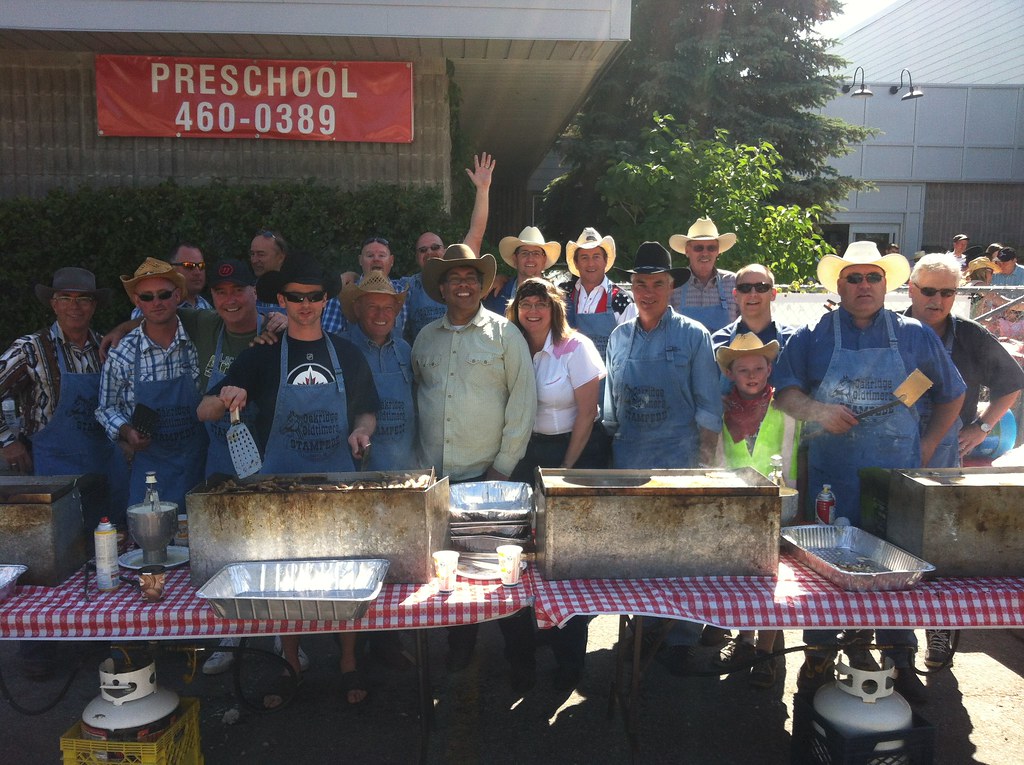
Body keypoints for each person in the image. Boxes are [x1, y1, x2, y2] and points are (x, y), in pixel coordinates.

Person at [773, 240, 966, 702]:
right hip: (831, 481)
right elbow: (784, 394)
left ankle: (898, 656)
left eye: (872, 277)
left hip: (892, 482)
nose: (863, 285)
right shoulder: (812, 334)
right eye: (854, 277)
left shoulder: (916, 335)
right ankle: (819, 654)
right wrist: (818, 411)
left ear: (887, 284)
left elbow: (952, 394)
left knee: (897, 567)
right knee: (824, 571)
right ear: (839, 285)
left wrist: (927, 445)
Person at [198, 255, 378, 705]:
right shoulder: (259, 356)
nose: (304, 305)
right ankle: (291, 663)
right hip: (279, 490)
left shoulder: (347, 352)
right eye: (295, 297)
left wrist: (361, 431)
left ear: (324, 301)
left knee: (345, 575)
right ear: (281, 299)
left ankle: (349, 662)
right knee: (283, 582)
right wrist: (226, 396)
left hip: (337, 484)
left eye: (314, 297)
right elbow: (203, 410)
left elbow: (367, 409)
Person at [412, 243, 537, 689]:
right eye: (454, 279)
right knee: (451, 571)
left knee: (505, 573)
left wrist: (502, 469)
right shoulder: (425, 338)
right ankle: (460, 647)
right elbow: (417, 400)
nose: (463, 285)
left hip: (493, 479)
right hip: (441, 480)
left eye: (471, 278)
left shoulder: (506, 335)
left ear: (483, 286)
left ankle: (522, 659)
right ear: (441, 288)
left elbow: (523, 404)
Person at [0, 267, 126, 681]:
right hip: (50, 472)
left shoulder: (107, 345)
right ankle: (38, 646)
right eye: (67, 299)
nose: (76, 307)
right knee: (45, 561)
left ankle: (93, 637)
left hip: (99, 468)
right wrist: (8, 440)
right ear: (53, 304)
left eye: (84, 299)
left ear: (94, 306)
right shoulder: (30, 349)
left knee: (99, 556)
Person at [603, 241, 722, 675]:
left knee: (679, 556)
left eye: (657, 283)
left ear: (671, 286)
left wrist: (705, 465)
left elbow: (709, 406)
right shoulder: (620, 335)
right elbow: (612, 406)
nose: (648, 292)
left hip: (679, 461)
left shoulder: (694, 335)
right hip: (630, 460)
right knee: (634, 555)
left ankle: (679, 638)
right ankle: (639, 628)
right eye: (640, 283)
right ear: (631, 287)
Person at [905, 253, 1024, 673]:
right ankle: (883, 635)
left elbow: (1012, 384)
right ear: (911, 289)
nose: (937, 300)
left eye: (947, 292)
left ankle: (938, 632)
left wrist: (982, 427)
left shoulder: (971, 336)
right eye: (929, 290)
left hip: (945, 456)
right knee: (890, 543)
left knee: (938, 547)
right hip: (892, 447)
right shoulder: (891, 331)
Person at [506, 277, 606, 688]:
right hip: (525, 451)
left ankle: (569, 663)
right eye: (525, 304)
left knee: (567, 559)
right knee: (520, 554)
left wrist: (564, 470)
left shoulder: (575, 348)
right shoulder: (510, 347)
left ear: (554, 309)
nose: (532, 311)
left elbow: (587, 414)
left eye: (540, 304)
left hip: (574, 452)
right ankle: (522, 657)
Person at [711, 333, 798, 688]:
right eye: (743, 369)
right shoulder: (720, 408)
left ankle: (766, 652)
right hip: (736, 505)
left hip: (777, 504)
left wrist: (793, 501)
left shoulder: (784, 408)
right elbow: (716, 457)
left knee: (773, 581)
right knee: (747, 577)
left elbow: (792, 457)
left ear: (769, 369)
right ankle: (745, 640)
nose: (751, 375)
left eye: (758, 368)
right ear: (731, 373)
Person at [96, 257, 207, 511]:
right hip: (150, 478)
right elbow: (105, 409)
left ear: (177, 296)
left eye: (164, 294)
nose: (156, 303)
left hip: (199, 473)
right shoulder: (122, 352)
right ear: (137, 302)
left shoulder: (199, 341)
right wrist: (127, 432)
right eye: (147, 297)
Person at [404, 153, 495, 340]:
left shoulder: (461, 272)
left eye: (435, 247)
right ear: (416, 257)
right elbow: (377, 286)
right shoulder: (407, 286)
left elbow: (476, 232)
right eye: (423, 250)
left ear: (444, 250)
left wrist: (483, 190)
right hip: (426, 363)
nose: (430, 252)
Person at [338, 271, 415, 471]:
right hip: (354, 474)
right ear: (357, 308)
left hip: (404, 474)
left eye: (388, 308)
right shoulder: (340, 349)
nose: (381, 315)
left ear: (396, 311)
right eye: (372, 307)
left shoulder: (405, 350)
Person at [558, 227, 636, 358]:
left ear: (605, 261)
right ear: (576, 263)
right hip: (569, 376)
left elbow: (631, 352)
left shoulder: (622, 300)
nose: (590, 264)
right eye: (584, 257)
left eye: (596, 257)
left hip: (609, 377)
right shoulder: (563, 294)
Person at [321, 236, 408, 337]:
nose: (376, 259)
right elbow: (330, 341)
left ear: (391, 260)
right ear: (360, 260)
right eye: (370, 255)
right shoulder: (343, 293)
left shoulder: (405, 292)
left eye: (382, 255)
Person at [667, 217, 738, 333]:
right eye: (698, 248)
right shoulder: (673, 284)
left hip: (725, 351)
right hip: (684, 351)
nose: (705, 253)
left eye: (711, 248)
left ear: (718, 251)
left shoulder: (733, 282)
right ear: (687, 251)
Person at [483, 226, 560, 315]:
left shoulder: (558, 299)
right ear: (515, 259)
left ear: (544, 260)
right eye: (524, 253)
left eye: (536, 253)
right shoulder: (495, 295)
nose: (530, 259)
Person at [130, 244, 212, 318]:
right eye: (189, 265)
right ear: (172, 269)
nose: (197, 272)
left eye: (201, 266)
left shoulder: (205, 305)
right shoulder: (152, 308)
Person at [250, 229, 290, 313]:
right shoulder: (246, 293)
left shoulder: (299, 294)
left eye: (261, 254)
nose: (254, 260)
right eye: (252, 254)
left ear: (280, 257)